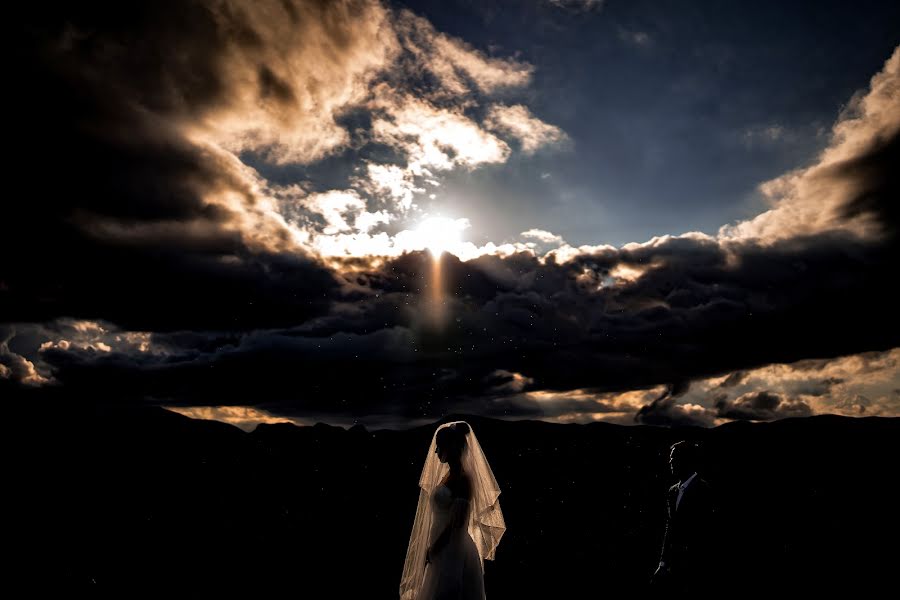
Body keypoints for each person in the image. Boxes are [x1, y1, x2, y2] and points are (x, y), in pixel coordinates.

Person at [400, 421, 506, 600]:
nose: (435, 452)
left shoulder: (463, 480)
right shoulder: (448, 475)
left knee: (447, 591)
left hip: (451, 547)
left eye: (439, 447)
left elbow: (457, 523)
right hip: (442, 544)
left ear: (451, 447)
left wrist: (434, 548)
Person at [651, 440, 715, 593]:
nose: (670, 462)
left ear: (685, 460)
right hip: (676, 564)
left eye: (673, 459)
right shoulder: (672, 491)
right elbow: (670, 527)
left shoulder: (704, 490)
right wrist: (663, 563)